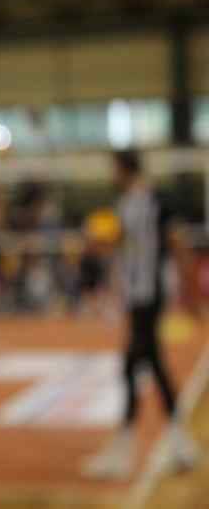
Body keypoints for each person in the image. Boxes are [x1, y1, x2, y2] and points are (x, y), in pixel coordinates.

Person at [83, 149, 200, 479]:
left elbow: (177, 243)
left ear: (124, 169)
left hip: (150, 294)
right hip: (137, 296)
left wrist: (190, 292)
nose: (112, 176)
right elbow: (124, 243)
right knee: (151, 366)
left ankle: (125, 451)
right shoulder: (125, 204)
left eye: (114, 169)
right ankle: (180, 444)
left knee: (132, 365)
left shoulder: (154, 201)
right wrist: (99, 246)